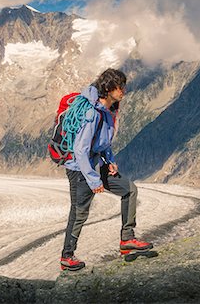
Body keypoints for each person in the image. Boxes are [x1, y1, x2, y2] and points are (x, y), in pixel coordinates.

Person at [60, 68, 153, 271]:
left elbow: (103, 143)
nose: (124, 91)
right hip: (80, 170)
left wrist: (110, 161)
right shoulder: (92, 113)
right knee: (79, 213)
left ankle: (127, 239)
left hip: (97, 164)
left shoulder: (109, 111)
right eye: (120, 87)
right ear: (109, 88)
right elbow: (80, 150)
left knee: (129, 189)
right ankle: (67, 257)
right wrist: (93, 180)